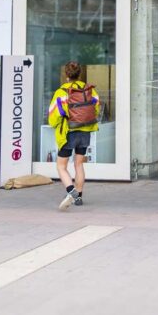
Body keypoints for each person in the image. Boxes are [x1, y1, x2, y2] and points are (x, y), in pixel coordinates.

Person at [48, 61, 101, 211]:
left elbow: (54, 115)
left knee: (61, 166)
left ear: (66, 75)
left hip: (68, 133)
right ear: (80, 74)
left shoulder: (62, 92)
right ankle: (79, 197)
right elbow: (96, 108)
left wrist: (55, 125)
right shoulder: (89, 90)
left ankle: (71, 192)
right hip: (85, 130)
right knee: (79, 164)